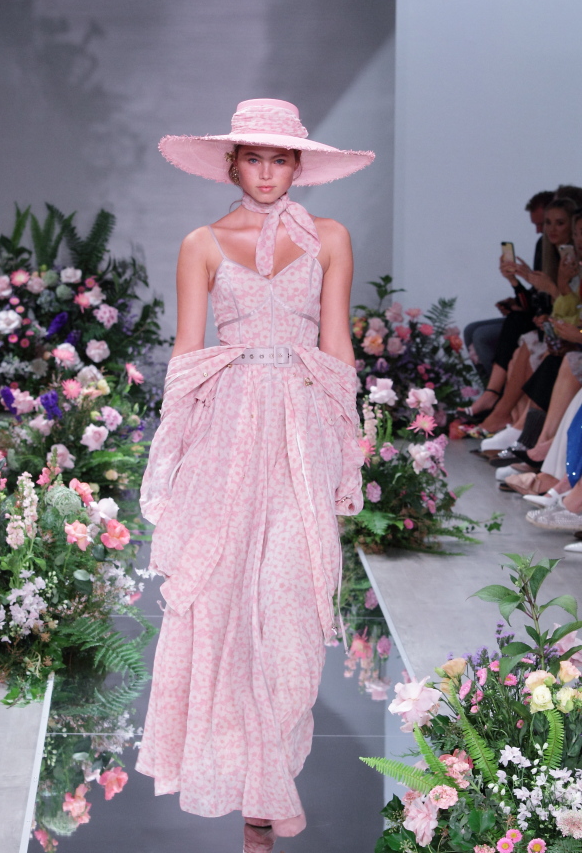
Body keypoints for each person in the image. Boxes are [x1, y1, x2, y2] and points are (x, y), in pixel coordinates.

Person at [136, 99, 374, 850]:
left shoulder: (331, 238)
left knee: (293, 609)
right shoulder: (201, 244)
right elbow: (188, 356)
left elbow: (336, 346)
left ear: (297, 166)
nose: (267, 173)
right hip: (228, 438)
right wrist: (172, 453)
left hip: (301, 433)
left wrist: (347, 444)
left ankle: (268, 774)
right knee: (226, 608)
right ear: (232, 164)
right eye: (254, 158)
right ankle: (258, 798)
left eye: (280, 159)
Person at [463, 190, 553, 391]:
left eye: (543, 224)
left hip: (548, 319)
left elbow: (552, 299)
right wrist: (515, 285)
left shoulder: (558, 250)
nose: (539, 230)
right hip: (534, 313)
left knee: (483, 336)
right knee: (471, 330)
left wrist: (525, 283)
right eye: (537, 225)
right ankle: (490, 391)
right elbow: (537, 295)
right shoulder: (543, 244)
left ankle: (496, 395)